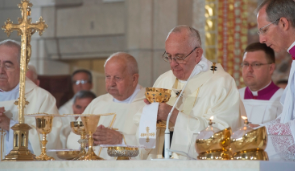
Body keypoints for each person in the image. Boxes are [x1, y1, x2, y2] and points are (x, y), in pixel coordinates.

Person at [139, 26, 243, 159]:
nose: (173, 64)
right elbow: (142, 131)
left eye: (179, 57)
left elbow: (221, 135)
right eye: (169, 56)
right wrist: (150, 115)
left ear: (198, 54)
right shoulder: (164, 80)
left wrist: (174, 116)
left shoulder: (222, 83)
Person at [0, 39, 61, 162]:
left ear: (22, 68)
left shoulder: (42, 99)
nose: (0, 71)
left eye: (7, 65)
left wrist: (11, 126)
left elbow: (49, 145)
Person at [67, 52, 146, 159]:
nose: (111, 83)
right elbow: (72, 139)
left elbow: (151, 148)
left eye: (117, 78)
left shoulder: (148, 104)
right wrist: (87, 140)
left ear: (134, 79)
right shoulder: (98, 103)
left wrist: (120, 140)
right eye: (108, 77)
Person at [257, 0, 295, 160]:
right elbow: (288, 116)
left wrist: (261, 135)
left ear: (284, 23)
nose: (261, 39)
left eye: (264, 30)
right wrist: (256, 130)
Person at [239, 42, 283, 124]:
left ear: (271, 68)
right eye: (245, 64)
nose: (249, 69)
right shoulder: (235, 96)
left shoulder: (283, 99)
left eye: (256, 64)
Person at [59, 69, 93, 148]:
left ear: (91, 84)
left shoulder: (100, 105)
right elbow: (61, 137)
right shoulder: (64, 110)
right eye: (76, 82)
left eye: (83, 81)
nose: (79, 85)